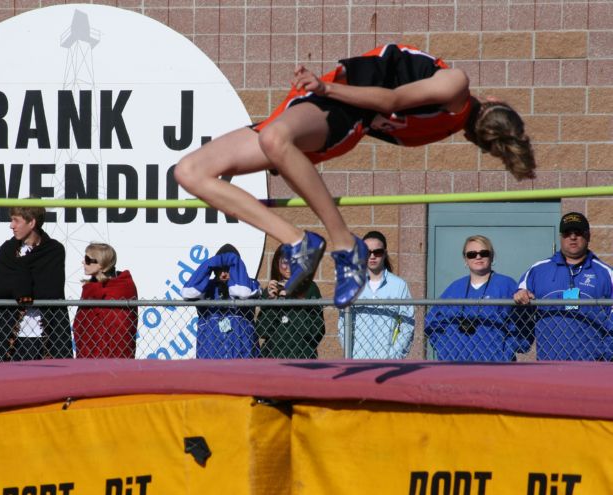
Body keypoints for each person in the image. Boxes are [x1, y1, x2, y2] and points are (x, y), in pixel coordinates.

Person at [174, 43, 536, 311]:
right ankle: (297, 240)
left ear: (490, 101)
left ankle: (344, 244)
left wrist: (326, 87)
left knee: (273, 139)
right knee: (190, 172)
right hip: (311, 107)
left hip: (337, 110)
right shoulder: (443, 124)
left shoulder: (457, 86)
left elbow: (391, 100)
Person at [514, 212, 613, 360]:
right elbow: (520, 298)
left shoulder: (606, 273)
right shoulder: (538, 270)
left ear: (588, 236)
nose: (573, 237)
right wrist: (521, 295)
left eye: (578, 232)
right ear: (561, 237)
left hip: (592, 365)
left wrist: (605, 356)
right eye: (567, 233)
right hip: (549, 364)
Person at [0, 204, 73, 361]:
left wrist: (21, 286)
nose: (12, 226)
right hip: (10, 337)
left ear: (31, 223)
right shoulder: (7, 250)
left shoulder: (54, 250)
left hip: (46, 336)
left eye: (16, 221)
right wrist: (22, 285)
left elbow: (51, 290)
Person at [425, 235, 529, 362]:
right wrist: (445, 350)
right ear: (465, 259)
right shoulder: (454, 288)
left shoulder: (506, 285)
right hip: (457, 366)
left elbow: (523, 324)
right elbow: (432, 322)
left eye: (483, 253)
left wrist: (505, 351)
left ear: (491, 256)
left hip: (496, 366)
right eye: (472, 254)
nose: (478, 257)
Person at [338, 231, 414, 359]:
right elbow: (342, 324)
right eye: (367, 252)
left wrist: (393, 358)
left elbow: (407, 325)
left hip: (387, 362)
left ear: (384, 254)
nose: (372, 256)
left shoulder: (399, 285)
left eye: (377, 252)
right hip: (357, 360)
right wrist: (350, 354)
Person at [181, 244, 260, 359]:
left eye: (228, 269)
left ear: (236, 268)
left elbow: (242, 293)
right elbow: (187, 292)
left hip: (243, 359)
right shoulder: (207, 288)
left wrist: (233, 261)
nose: (223, 274)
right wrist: (211, 263)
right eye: (219, 269)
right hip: (211, 360)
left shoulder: (251, 284)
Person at [255, 244, 325, 359]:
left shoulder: (310, 288)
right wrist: (273, 302)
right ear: (277, 263)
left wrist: (291, 299)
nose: (289, 267)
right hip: (272, 359)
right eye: (285, 262)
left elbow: (316, 331)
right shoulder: (272, 289)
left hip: (302, 359)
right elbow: (262, 331)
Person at [73, 243, 138, 359]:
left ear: (102, 265)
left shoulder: (122, 288)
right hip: (88, 355)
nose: (83, 262)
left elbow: (122, 327)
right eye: (84, 258)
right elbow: (81, 324)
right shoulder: (90, 289)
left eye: (88, 259)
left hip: (116, 357)